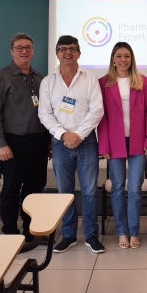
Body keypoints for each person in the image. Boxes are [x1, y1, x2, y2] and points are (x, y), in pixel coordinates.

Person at [38, 35, 105, 254]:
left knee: (89, 192)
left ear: (79, 52)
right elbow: (44, 114)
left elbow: (97, 110)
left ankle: (91, 235)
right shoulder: (48, 82)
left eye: (73, 48)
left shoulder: (90, 78)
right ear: (57, 53)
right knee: (64, 192)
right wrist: (63, 134)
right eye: (63, 49)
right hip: (59, 144)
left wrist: (78, 134)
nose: (68, 52)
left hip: (87, 143)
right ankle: (68, 235)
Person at [0, 32, 50, 242]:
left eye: (28, 47)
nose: (24, 51)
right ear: (12, 51)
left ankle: (31, 231)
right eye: (19, 47)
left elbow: (47, 112)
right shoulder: (2, 77)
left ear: (33, 50)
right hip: (13, 143)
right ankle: (10, 232)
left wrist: (48, 142)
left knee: (34, 189)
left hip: (39, 143)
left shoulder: (39, 78)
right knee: (11, 189)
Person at [97, 42, 147, 249]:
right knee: (118, 187)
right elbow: (100, 117)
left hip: (138, 141)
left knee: (136, 188)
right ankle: (122, 232)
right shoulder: (103, 82)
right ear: (113, 58)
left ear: (132, 59)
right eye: (119, 56)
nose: (123, 60)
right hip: (115, 143)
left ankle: (134, 231)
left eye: (127, 56)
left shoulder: (142, 81)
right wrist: (102, 146)